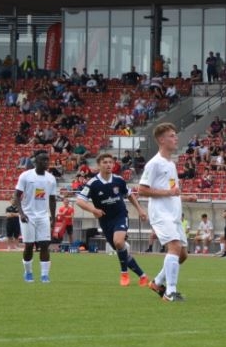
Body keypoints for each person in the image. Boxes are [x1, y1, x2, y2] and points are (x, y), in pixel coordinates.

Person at [140, 123, 197, 302]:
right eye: (172, 135)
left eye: (175, 135)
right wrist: (169, 193)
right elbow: (142, 190)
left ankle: (157, 282)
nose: (176, 138)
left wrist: (185, 197)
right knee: (174, 247)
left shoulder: (171, 164)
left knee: (182, 255)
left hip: (174, 214)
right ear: (161, 140)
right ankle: (170, 292)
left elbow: (172, 191)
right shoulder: (154, 163)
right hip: (161, 213)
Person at [76, 153, 149, 286]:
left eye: (110, 162)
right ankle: (142, 276)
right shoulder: (93, 183)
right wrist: (93, 210)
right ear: (99, 165)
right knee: (120, 249)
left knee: (118, 242)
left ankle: (124, 274)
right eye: (105, 162)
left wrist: (140, 210)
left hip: (120, 216)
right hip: (105, 221)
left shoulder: (118, 180)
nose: (108, 165)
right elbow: (79, 201)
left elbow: (130, 195)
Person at [15, 150, 58, 283]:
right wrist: (21, 213)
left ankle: (44, 275)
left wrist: (53, 217)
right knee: (29, 245)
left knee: (45, 244)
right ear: (36, 161)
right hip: (28, 215)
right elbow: (17, 196)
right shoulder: (26, 176)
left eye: (47, 160)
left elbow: (52, 199)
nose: (46, 162)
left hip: (43, 216)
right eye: (43, 160)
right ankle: (28, 272)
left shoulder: (51, 178)